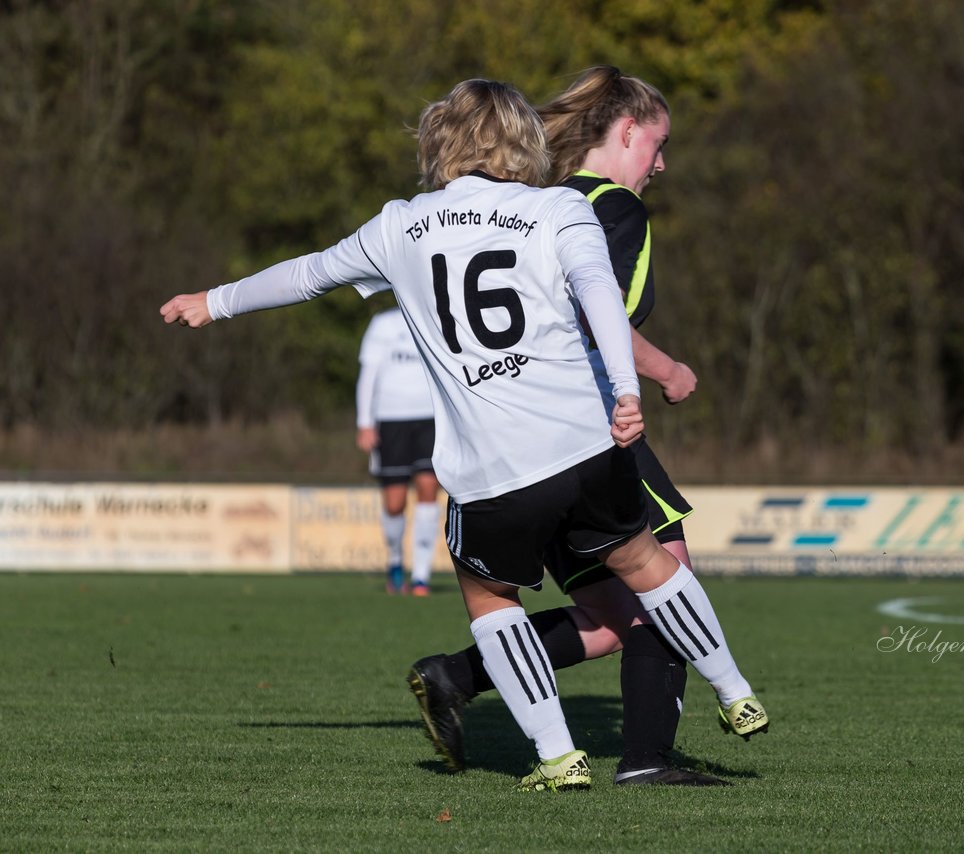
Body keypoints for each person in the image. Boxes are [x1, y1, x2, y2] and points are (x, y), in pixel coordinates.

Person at [160, 78, 769, 791]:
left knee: (491, 599)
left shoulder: (399, 226)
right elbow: (601, 299)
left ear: (437, 143)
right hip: (584, 446)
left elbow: (309, 274)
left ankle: (558, 758)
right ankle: (735, 692)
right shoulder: (559, 208)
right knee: (649, 562)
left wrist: (215, 301)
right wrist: (629, 391)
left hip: (492, 468)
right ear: (524, 140)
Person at [406, 67, 750, 788]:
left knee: (607, 610)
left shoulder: (539, 200)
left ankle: (458, 674)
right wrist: (664, 372)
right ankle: (650, 758)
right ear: (627, 132)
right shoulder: (611, 209)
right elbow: (598, 323)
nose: (662, 164)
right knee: (665, 584)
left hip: (528, 447)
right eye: (657, 145)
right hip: (591, 436)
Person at [356, 307, 440, 596]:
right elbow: (368, 373)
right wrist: (365, 422)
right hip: (390, 420)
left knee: (429, 488)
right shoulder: (383, 324)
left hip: (431, 417)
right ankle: (395, 562)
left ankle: (421, 576)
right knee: (395, 503)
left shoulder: (435, 315)